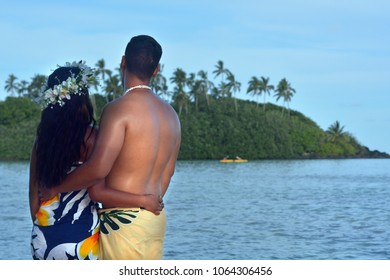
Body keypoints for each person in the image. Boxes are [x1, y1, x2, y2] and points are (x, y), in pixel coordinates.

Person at [41, 35, 181, 260]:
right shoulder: (172, 115)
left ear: (123, 62)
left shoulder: (118, 109)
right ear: (156, 70)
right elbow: (168, 172)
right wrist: (147, 202)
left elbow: (98, 169)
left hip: (122, 222)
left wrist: (56, 187)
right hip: (154, 218)